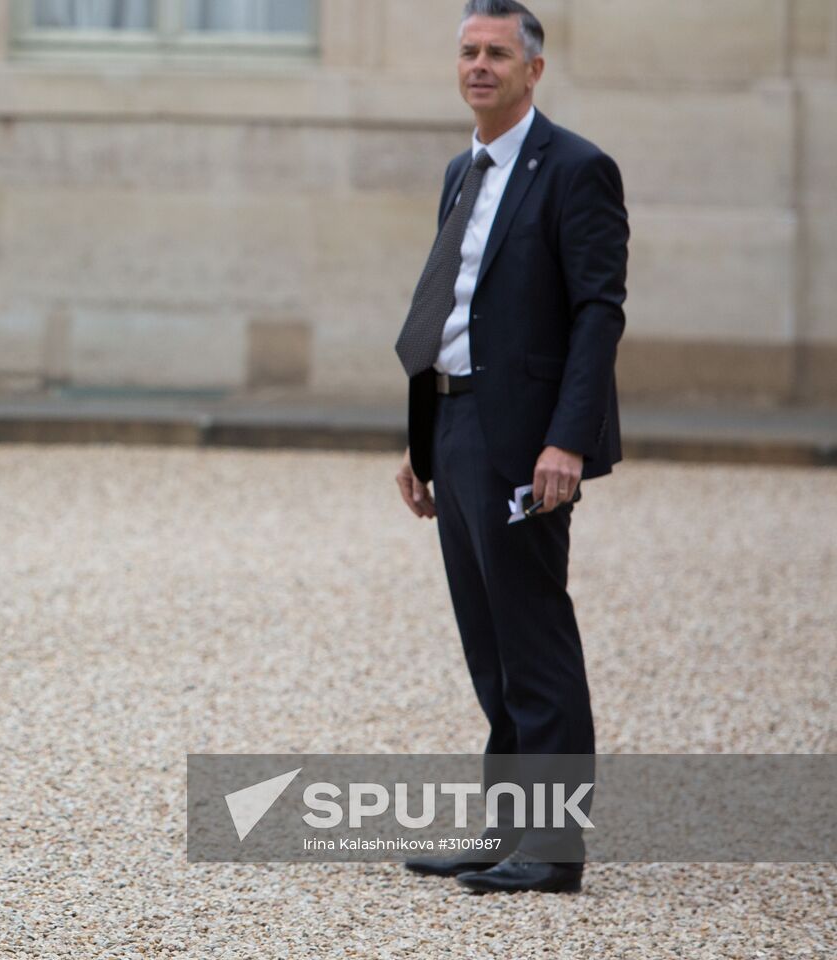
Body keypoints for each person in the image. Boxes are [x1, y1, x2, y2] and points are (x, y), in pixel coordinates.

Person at [392, 0, 627, 894]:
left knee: (534, 637)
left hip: (527, 440)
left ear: (534, 69)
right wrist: (419, 439)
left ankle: (554, 848)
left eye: (497, 53)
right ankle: (506, 830)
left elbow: (597, 312)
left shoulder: (577, 169)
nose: (479, 66)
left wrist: (567, 439)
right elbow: (445, 312)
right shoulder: (462, 170)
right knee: (487, 643)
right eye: (468, 52)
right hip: (453, 428)